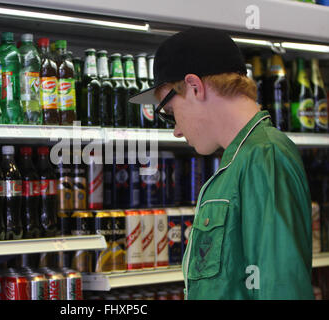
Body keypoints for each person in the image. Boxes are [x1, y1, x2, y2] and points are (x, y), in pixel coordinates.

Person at [129, 27, 314, 300]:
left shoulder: (264, 156)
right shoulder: (241, 159)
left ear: (194, 87)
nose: (176, 131)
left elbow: (282, 288)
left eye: (170, 113)